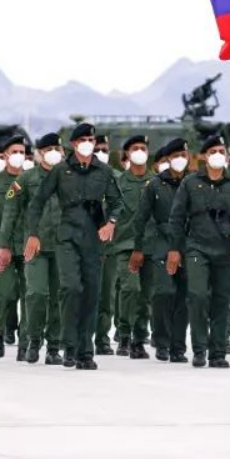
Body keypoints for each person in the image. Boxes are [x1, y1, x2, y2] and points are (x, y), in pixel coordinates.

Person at [26, 122, 126, 370]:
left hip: (93, 239)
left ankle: (85, 352)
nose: (88, 144)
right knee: (71, 288)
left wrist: (111, 223)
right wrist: (33, 234)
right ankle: (69, 346)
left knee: (91, 293)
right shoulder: (60, 171)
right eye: (83, 140)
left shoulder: (104, 171)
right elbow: (37, 202)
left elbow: (117, 203)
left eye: (91, 140)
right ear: (73, 144)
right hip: (67, 237)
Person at [167, 136, 230, 368]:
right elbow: (177, 217)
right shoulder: (190, 183)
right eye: (212, 151)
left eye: (221, 151)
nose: (217, 155)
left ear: (227, 157)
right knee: (197, 296)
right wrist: (174, 248)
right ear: (204, 156)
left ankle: (217, 352)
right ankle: (200, 348)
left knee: (222, 300)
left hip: (226, 251)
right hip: (197, 248)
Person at [0, 132, 65, 365]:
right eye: (48, 150)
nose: (53, 153)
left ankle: (54, 347)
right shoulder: (26, 179)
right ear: (38, 154)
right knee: (36, 294)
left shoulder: (70, 177)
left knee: (59, 298)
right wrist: (4, 245)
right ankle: (33, 340)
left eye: (57, 149)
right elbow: (10, 214)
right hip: (34, 248)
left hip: (63, 247)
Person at [132, 139, 191, 363]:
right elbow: (141, 218)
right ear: (167, 159)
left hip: (188, 244)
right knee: (163, 292)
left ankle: (178, 346)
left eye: (183, 155)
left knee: (184, 297)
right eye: (175, 155)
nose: (180, 159)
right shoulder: (155, 185)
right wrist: (138, 248)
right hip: (162, 244)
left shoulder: (194, 183)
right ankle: (162, 340)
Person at [111, 134, 153, 359]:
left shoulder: (156, 181)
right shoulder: (118, 183)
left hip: (151, 245)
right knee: (130, 289)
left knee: (146, 295)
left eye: (143, 148)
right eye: (135, 148)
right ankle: (124, 333)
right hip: (125, 244)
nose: (139, 152)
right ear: (127, 154)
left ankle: (139, 338)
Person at [0, 136, 29, 359]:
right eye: (15, 151)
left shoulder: (32, 179)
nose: (19, 156)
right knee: (3, 293)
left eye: (22, 152)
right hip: (2, 247)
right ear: (5, 155)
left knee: (29, 294)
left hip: (27, 246)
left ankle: (25, 342)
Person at [92, 134, 119, 355]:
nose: (101, 153)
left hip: (109, 247)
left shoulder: (117, 177)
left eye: (105, 149)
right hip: (82, 246)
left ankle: (102, 339)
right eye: (97, 149)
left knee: (106, 296)